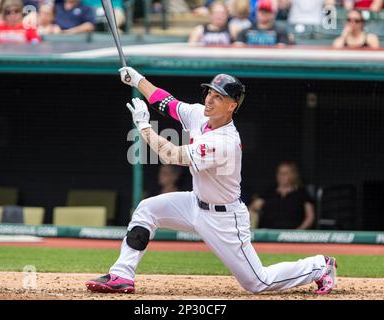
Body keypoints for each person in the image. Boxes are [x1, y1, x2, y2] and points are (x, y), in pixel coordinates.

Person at [84, 67, 338, 295]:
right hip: (195, 203)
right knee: (147, 209)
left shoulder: (224, 142)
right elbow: (166, 103)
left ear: (232, 106)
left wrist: (143, 127)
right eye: (209, 93)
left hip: (224, 218)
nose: (209, 100)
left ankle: (319, 266)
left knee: (257, 282)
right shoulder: (200, 115)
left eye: (218, 97)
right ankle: (122, 275)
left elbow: (172, 154)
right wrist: (137, 80)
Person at [248, 161, 315, 230]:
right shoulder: (269, 192)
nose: (282, 175)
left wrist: (298, 231)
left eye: (286, 173)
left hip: (292, 234)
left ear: (294, 175)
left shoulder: (302, 193)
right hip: (268, 234)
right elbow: (253, 208)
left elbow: (310, 217)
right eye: (280, 173)